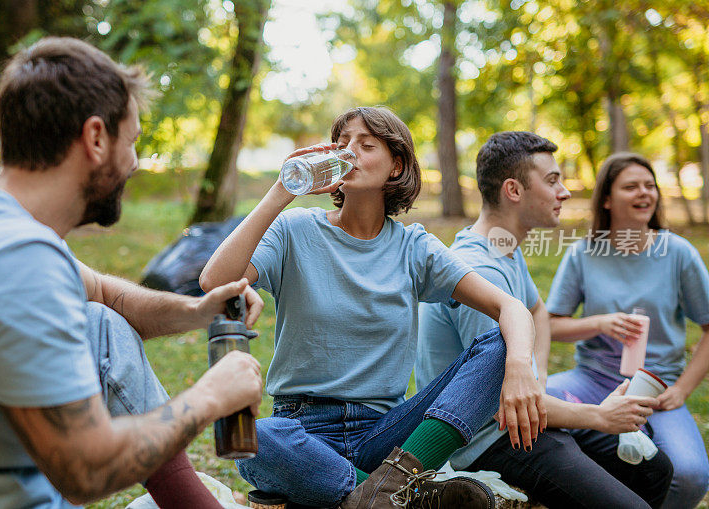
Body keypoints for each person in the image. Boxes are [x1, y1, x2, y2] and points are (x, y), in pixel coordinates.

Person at [0, 37, 265, 509]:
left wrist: (199, 311)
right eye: (133, 141)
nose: (135, 164)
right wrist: (208, 399)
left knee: (100, 322)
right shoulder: (18, 260)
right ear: (96, 138)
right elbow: (84, 469)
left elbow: (101, 293)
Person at [200, 106, 546, 508]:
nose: (349, 153)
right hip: (302, 429)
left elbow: (512, 307)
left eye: (366, 145)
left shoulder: (413, 246)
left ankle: (382, 487)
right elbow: (214, 281)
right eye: (342, 144)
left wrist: (521, 366)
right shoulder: (295, 230)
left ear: (396, 166)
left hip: (387, 432)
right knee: (257, 438)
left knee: (501, 345)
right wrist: (282, 190)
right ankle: (400, 494)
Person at [417, 133, 673, 508]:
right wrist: (599, 416)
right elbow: (502, 401)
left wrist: (537, 380)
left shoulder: (503, 246)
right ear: (514, 190)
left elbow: (537, 311)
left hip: (523, 419)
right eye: (552, 180)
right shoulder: (479, 270)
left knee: (653, 469)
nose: (565, 191)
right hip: (486, 438)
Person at [546, 152, 709, 508]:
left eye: (650, 186)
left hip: (657, 390)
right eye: (631, 186)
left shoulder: (678, 253)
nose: (645, 193)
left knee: (692, 475)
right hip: (592, 380)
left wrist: (681, 390)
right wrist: (599, 324)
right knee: (533, 406)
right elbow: (550, 325)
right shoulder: (584, 253)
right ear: (606, 198)